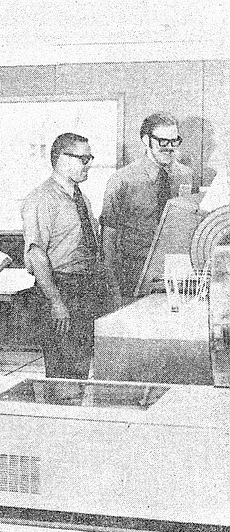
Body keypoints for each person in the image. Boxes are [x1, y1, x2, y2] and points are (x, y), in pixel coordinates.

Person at [21, 132, 106, 380]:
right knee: (61, 369)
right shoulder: (42, 199)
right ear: (61, 159)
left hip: (85, 287)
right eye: (84, 158)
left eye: (90, 157)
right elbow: (36, 255)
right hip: (60, 288)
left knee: (81, 363)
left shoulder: (82, 198)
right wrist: (56, 301)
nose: (89, 163)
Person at [101, 113, 195, 306]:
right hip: (133, 275)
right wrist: (112, 288)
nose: (169, 148)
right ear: (146, 140)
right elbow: (108, 238)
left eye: (174, 141)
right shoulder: (122, 180)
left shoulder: (185, 175)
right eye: (162, 141)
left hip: (176, 274)